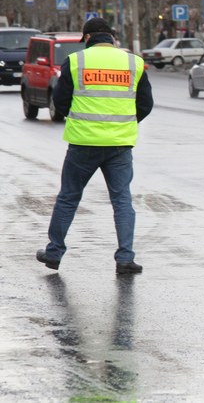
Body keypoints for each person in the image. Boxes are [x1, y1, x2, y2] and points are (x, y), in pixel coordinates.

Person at [35, 17, 154, 274]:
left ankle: (54, 253)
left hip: (83, 142)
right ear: (112, 37)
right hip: (120, 144)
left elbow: (60, 100)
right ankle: (125, 258)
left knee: (68, 197)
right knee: (122, 200)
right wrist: (123, 123)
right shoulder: (133, 62)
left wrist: (78, 119)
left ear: (87, 38)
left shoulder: (76, 61)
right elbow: (145, 104)